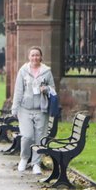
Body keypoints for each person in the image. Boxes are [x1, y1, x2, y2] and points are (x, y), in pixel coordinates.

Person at [11, 46, 57, 175]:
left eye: (37, 55)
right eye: (33, 55)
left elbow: (53, 89)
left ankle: (36, 163)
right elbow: (18, 90)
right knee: (27, 136)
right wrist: (15, 106)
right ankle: (24, 158)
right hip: (25, 109)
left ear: (41, 57)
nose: (35, 58)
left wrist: (46, 89)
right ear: (29, 57)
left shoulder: (46, 71)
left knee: (39, 138)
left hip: (41, 109)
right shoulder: (23, 71)